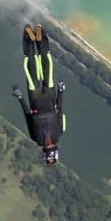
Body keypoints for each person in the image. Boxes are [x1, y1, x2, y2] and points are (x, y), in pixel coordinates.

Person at [13, 24, 67, 164]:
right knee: (39, 65)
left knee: (37, 66)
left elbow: (28, 116)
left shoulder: (48, 135)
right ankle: (36, 37)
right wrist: (61, 91)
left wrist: (20, 98)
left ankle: (34, 38)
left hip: (41, 98)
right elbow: (58, 110)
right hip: (44, 97)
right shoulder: (50, 135)